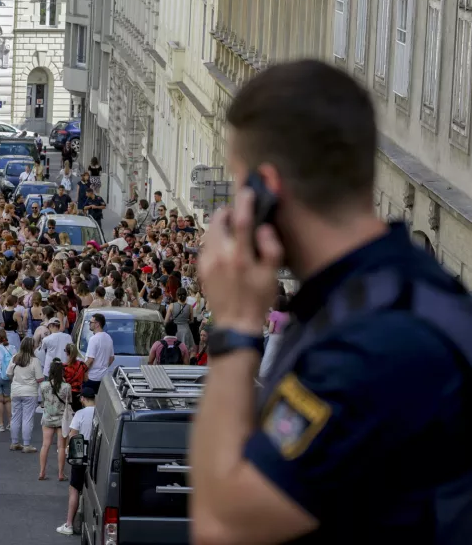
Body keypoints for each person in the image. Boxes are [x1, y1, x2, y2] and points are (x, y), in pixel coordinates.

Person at [191, 60, 472, 544]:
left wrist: (234, 324)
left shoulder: (374, 343)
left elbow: (223, 527)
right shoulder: (394, 293)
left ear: (266, 191)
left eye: (239, 187)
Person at [56, 387, 96, 536]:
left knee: (74, 489)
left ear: (83, 399)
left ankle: (69, 524)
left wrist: (67, 450)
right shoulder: (102, 413)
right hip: (97, 457)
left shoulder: (80, 414)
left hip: (80, 457)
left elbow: (72, 435)